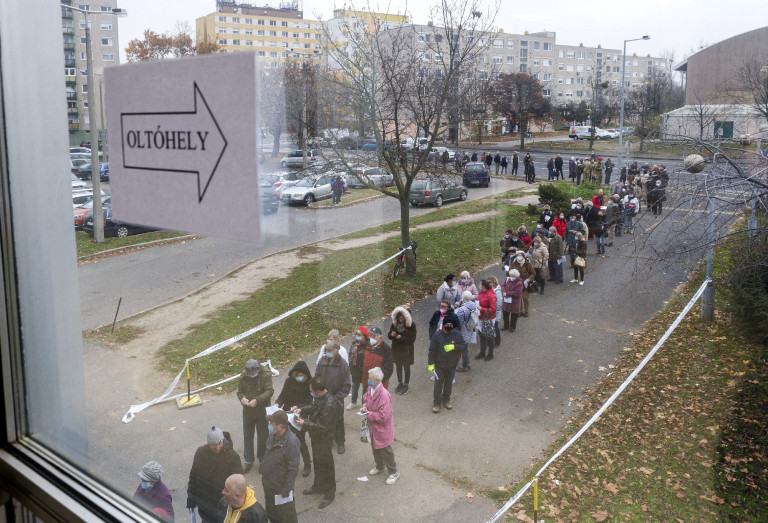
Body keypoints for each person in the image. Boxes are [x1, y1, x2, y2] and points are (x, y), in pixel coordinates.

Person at [294, 377, 337, 509]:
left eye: (312, 391)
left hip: (324, 439)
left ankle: (329, 494)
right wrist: (301, 409)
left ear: (318, 391)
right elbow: (313, 406)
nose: (310, 392)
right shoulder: (320, 398)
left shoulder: (329, 404)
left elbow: (323, 426)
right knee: (318, 462)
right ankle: (318, 486)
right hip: (316, 437)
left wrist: (304, 423)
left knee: (327, 466)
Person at [187, 427, 243, 523]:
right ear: (208, 443)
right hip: (205, 505)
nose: (217, 447)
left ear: (223, 441)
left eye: (219, 444)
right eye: (214, 445)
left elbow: (239, 484)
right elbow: (194, 477)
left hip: (223, 506)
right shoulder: (200, 453)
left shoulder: (232, 457)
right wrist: (191, 499)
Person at [275, 360, 313, 478]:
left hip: (299, 415)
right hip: (287, 414)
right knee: (285, 441)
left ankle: (307, 464)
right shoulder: (289, 381)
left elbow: (309, 403)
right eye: (296, 375)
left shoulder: (308, 385)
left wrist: (299, 408)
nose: (298, 377)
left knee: (301, 442)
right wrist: (277, 404)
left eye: (301, 375)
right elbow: (282, 396)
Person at [361, 367, 399, 484]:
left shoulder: (384, 395)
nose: (368, 380)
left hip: (382, 428)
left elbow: (383, 416)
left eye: (370, 379)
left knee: (385, 450)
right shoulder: (370, 388)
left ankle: (393, 473)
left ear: (377, 380)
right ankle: (380, 466)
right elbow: (366, 398)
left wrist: (369, 414)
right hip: (373, 427)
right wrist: (364, 406)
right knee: (375, 447)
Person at [260, 410, 300, 523]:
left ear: (280, 426)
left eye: (271, 423)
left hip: (281, 490)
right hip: (269, 486)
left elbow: (293, 469)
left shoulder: (292, 442)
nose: (269, 425)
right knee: (272, 515)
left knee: (286, 518)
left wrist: (286, 490)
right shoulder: (272, 435)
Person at [314, 340, 351, 454]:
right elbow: (317, 376)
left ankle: (340, 442)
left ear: (336, 351)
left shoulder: (343, 365)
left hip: (336, 399)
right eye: (326, 350)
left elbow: (346, 385)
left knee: (338, 420)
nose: (327, 353)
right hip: (323, 398)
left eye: (329, 350)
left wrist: (336, 398)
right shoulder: (322, 361)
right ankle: (328, 441)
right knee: (325, 420)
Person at [237, 359, 274, 473]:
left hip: (262, 412)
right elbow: (240, 391)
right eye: (249, 374)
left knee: (263, 437)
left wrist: (257, 400)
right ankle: (248, 460)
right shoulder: (244, 375)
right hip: (248, 412)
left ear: (257, 369)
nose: (251, 376)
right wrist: (242, 399)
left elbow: (269, 391)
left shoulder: (266, 374)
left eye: (253, 374)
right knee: (248, 437)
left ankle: (262, 460)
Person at [427, 318, 466, 413]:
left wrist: (454, 347)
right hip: (440, 365)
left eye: (450, 324)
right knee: (438, 384)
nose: (449, 326)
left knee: (448, 384)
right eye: (447, 324)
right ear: (443, 325)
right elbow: (432, 350)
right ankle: (436, 403)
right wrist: (430, 363)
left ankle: (446, 401)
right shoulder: (437, 335)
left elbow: (464, 346)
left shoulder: (457, 334)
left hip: (452, 365)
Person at [388, 306, 417, 395]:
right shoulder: (394, 325)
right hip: (396, 350)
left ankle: (406, 385)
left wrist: (401, 337)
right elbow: (389, 335)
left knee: (406, 367)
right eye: (399, 317)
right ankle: (400, 383)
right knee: (398, 367)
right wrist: (392, 335)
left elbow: (412, 339)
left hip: (406, 350)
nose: (401, 319)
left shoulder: (411, 325)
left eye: (403, 318)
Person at [346, 326, 371, 410]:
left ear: (364, 336)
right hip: (355, 370)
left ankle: (365, 405)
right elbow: (350, 354)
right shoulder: (354, 343)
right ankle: (353, 402)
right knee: (354, 387)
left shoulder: (368, 345)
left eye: (359, 334)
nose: (357, 336)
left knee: (365, 388)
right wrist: (350, 365)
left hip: (364, 370)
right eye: (356, 334)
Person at [363, 327, 394, 393]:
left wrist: (377, 382)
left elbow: (388, 370)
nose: (372, 338)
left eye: (374, 336)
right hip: (366, 383)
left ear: (380, 337)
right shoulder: (367, 344)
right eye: (371, 335)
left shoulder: (386, 349)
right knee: (365, 401)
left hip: (379, 386)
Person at [454, 291, 478, 372]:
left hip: (463, 331)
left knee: (463, 349)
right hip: (470, 327)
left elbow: (458, 323)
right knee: (465, 348)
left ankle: (464, 366)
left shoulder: (462, 309)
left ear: (463, 298)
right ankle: (467, 364)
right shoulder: (474, 305)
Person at [475, 279, 498, 361]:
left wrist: (482, 309)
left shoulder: (491, 295)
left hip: (488, 318)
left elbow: (493, 309)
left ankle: (490, 353)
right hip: (481, 317)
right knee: (481, 335)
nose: (479, 286)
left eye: (480, 284)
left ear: (483, 286)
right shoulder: (481, 292)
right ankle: (482, 352)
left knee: (489, 336)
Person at [508, 250, 534, 317]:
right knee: (518, 298)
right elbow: (510, 271)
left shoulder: (527, 263)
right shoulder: (514, 263)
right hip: (517, 284)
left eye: (520, 255)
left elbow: (533, 273)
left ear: (523, 256)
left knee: (525, 298)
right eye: (518, 255)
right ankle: (520, 311)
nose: (519, 257)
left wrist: (529, 279)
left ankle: (526, 311)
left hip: (525, 284)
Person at [489, 276, 503, 346]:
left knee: (495, 327)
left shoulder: (497, 292)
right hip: (490, 313)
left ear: (494, 282)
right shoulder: (490, 290)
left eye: (489, 282)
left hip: (495, 314)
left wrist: (492, 310)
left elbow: (499, 304)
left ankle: (497, 342)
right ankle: (492, 340)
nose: (488, 284)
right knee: (492, 327)